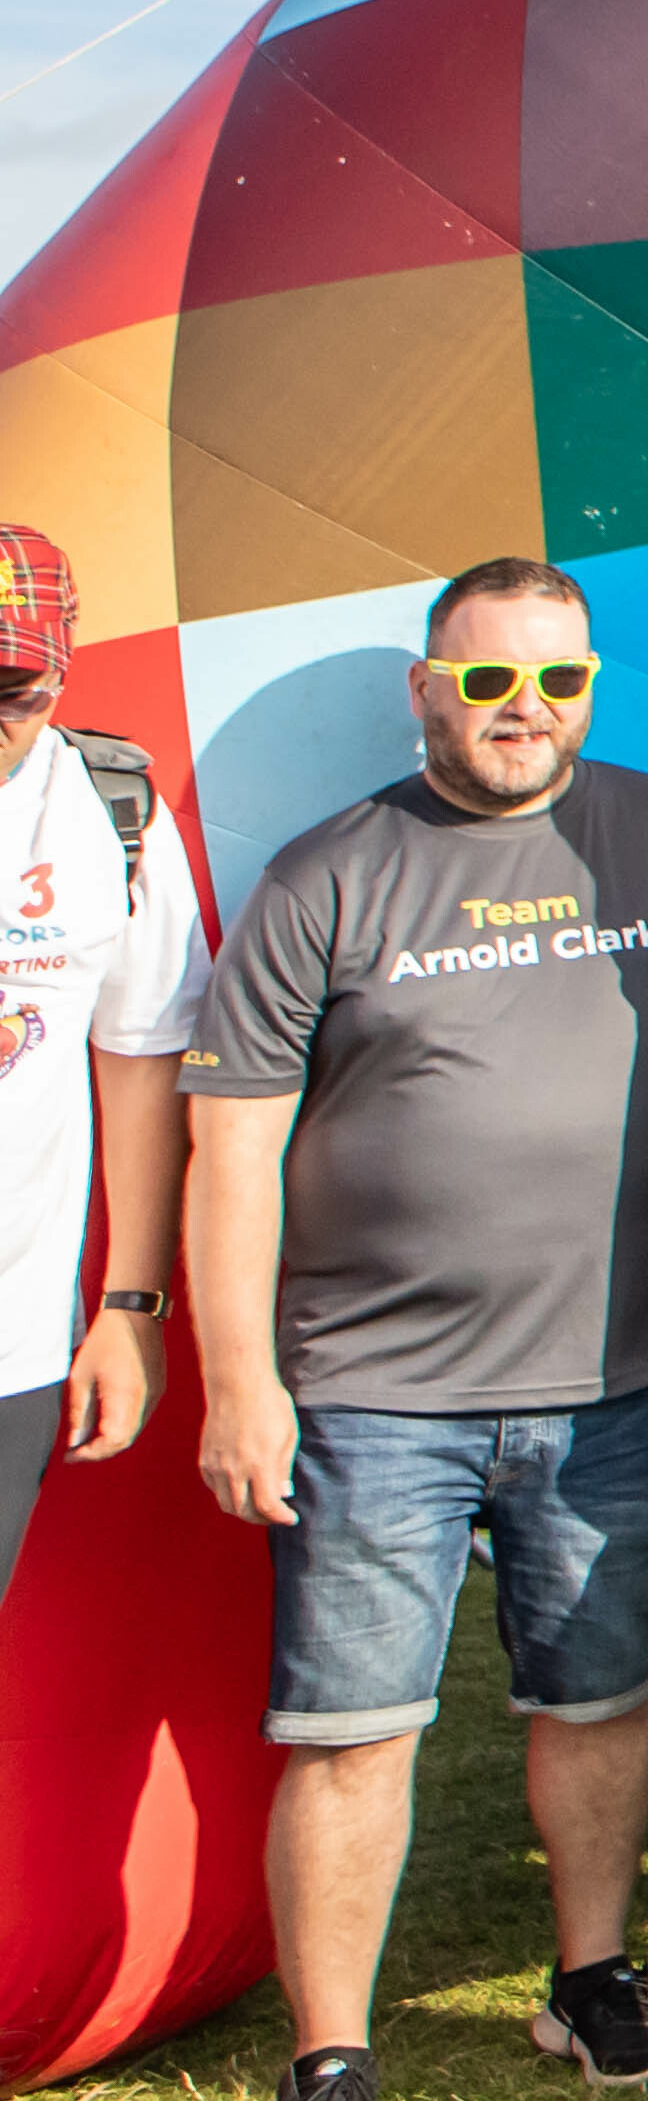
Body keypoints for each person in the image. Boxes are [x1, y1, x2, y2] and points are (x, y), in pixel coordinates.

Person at [183, 560, 648, 2101]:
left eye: (557, 684)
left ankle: (591, 1981)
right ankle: (330, 2058)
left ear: (592, 687)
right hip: (367, 1393)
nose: (524, 715)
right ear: (428, 688)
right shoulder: (331, 871)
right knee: (352, 1733)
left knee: (602, 1694)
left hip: (605, 1381)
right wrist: (236, 1379)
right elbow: (230, 1150)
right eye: (489, 684)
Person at [0, 521, 196, 1607]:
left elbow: (142, 1058)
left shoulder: (111, 807)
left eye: (10, 689)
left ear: (61, 668)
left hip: (14, 1334)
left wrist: (131, 1303)